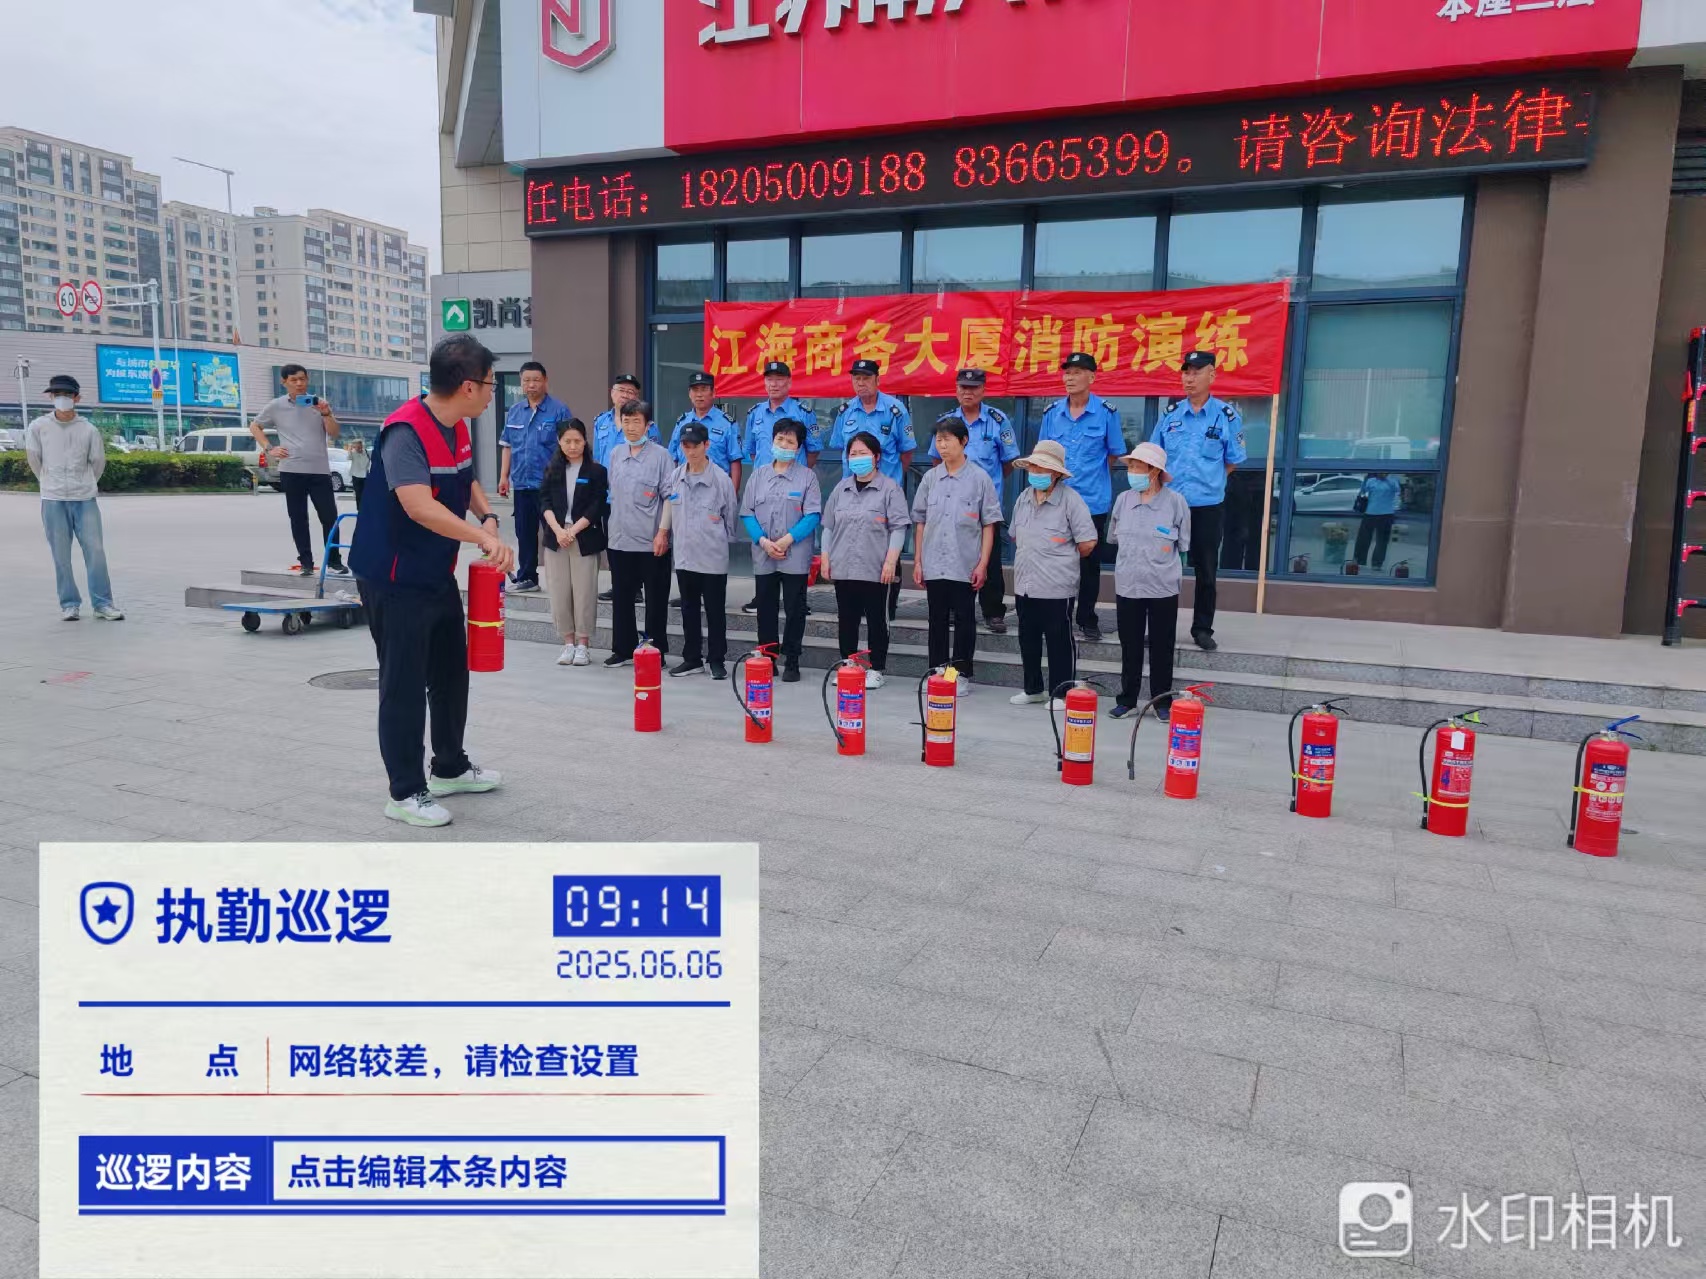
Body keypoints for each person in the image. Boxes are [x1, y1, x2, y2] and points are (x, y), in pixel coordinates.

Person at [347, 334, 514, 828]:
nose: (492, 394)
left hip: (434, 572)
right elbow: (419, 506)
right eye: (490, 384)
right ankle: (404, 791)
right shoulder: (406, 431)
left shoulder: (457, 424)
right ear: (468, 386)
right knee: (403, 683)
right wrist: (481, 539)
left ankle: (449, 767)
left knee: (449, 673)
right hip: (393, 577)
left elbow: (467, 479)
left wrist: (487, 517)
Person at [1151, 350, 1247, 651]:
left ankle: (1202, 628)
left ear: (1212, 375)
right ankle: (1160, 627)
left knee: (1206, 570)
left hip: (1207, 506)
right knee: (1161, 566)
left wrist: (1210, 482)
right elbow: (1154, 457)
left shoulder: (1226, 416)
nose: (1189, 379)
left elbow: (1232, 461)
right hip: (1169, 504)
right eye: (1186, 372)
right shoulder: (1170, 416)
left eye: (1196, 372)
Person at [1037, 351, 1125, 642]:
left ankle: (1087, 618)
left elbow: (1113, 454)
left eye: (1076, 373)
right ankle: (1058, 616)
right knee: (1057, 560)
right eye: (1067, 373)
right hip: (1057, 500)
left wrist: (1090, 478)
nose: (1070, 378)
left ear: (1091, 377)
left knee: (1089, 564)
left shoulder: (1107, 413)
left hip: (1092, 501)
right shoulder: (1052, 413)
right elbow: (1043, 457)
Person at [24, 374, 123, 622]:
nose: (62, 399)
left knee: (95, 551)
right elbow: (34, 460)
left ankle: (103, 604)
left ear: (77, 398)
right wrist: (49, 481)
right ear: (50, 397)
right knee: (61, 555)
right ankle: (69, 604)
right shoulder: (38, 427)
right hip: (53, 499)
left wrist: (85, 483)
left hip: (84, 498)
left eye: (67, 395)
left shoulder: (88, 429)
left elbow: (97, 462)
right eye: (57, 394)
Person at [1007, 441, 1098, 708]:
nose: (1036, 472)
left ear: (1056, 473)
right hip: (1025, 583)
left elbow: (1087, 543)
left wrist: (1058, 558)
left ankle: (1061, 691)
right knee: (1028, 639)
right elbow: (1015, 535)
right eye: (1033, 467)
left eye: (1042, 468)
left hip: (1057, 586)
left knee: (1059, 641)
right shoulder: (1023, 497)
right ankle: (1033, 688)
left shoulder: (1071, 500)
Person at [911, 418, 1001, 689]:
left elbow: (988, 525)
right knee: (936, 619)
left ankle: (959, 675)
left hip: (965, 563)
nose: (942, 445)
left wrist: (983, 564)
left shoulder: (980, 479)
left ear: (963, 441)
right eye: (938, 440)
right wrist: (918, 560)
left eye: (947, 439)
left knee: (964, 620)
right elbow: (920, 521)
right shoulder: (930, 478)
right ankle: (938, 671)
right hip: (934, 562)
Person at [1107, 442, 1191, 722]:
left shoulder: (1176, 502)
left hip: (1162, 586)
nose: (1131, 471)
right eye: (1130, 466)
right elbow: (1114, 537)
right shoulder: (1123, 500)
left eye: (1137, 466)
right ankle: (1127, 700)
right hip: (1128, 584)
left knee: (1162, 646)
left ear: (1154, 471)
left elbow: (1183, 544)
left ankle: (1161, 702)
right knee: (1129, 645)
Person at [929, 368, 1018, 633]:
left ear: (983, 390)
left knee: (990, 560)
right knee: (954, 555)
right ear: (956, 389)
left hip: (986, 506)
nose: (968, 392)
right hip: (953, 505)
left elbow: (1008, 462)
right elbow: (937, 460)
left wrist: (984, 487)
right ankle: (954, 609)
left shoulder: (998, 420)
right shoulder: (945, 421)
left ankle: (993, 612)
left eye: (973, 387)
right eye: (963, 387)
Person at [819, 432, 909, 689]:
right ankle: (849, 663)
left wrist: (891, 562)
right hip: (844, 566)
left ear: (876, 457)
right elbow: (828, 527)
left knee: (877, 620)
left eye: (863, 453)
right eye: (853, 454)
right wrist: (825, 557)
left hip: (876, 568)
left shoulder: (890, 489)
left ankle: (877, 668)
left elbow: (899, 528)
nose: (857, 458)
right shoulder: (841, 488)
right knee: (847, 619)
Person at [830, 358, 916, 622]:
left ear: (877, 380)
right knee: (851, 545)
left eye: (866, 378)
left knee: (889, 549)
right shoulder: (846, 411)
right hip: (851, 492)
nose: (861, 383)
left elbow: (907, 452)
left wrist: (889, 481)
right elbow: (840, 447)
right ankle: (854, 605)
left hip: (884, 492)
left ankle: (888, 606)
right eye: (856, 378)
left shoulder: (895, 410)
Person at [739, 418, 821, 683]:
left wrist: (786, 541)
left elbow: (812, 515)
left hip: (794, 553)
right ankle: (768, 656)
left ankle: (792, 660)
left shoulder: (807, 477)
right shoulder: (758, 475)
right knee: (765, 607)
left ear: (798, 447)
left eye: (790, 441)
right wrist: (763, 542)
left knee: (795, 608)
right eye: (780, 439)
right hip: (764, 552)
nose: (784, 445)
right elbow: (747, 513)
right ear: (772, 441)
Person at [250, 363, 347, 577]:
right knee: (298, 517)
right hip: (291, 470)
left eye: (302, 379)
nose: (299, 383)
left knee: (329, 517)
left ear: (307, 380)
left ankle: (334, 561)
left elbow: (334, 433)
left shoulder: (318, 403)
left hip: (320, 471)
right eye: (294, 380)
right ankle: (305, 562)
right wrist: (269, 448)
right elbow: (255, 426)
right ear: (284, 382)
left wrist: (326, 413)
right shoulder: (276, 406)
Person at [660, 422, 740, 680]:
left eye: (696, 445)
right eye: (686, 446)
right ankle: (692, 658)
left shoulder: (721, 479)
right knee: (688, 609)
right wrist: (663, 532)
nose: (691, 451)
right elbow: (669, 504)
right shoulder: (676, 476)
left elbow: (731, 517)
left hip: (712, 557)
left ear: (707, 445)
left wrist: (719, 539)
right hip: (685, 555)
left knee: (715, 611)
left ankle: (717, 660)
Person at [739, 360, 819, 614]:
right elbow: (752, 451)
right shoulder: (755, 413)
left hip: (794, 487)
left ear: (789, 382)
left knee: (796, 549)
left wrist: (796, 473)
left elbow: (813, 450)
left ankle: (798, 600)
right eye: (770, 379)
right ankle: (760, 597)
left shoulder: (803, 412)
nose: (774, 384)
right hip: (764, 486)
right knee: (763, 545)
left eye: (780, 379)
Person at [603, 399, 673, 668]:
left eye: (636, 421)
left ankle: (655, 651)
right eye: (626, 421)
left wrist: (663, 533)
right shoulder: (616, 453)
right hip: (619, 539)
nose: (631, 427)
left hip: (651, 542)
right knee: (622, 598)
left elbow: (669, 497)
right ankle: (623, 648)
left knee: (656, 601)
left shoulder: (661, 456)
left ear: (648, 425)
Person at [497, 360, 572, 594]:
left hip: (550, 485)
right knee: (524, 533)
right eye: (526, 380)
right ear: (521, 383)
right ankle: (528, 577)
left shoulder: (559, 410)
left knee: (554, 532)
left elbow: (569, 446)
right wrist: (503, 477)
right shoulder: (515, 411)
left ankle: (561, 579)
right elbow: (507, 446)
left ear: (545, 381)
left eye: (536, 380)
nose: (531, 385)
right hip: (522, 483)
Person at [540, 419, 607, 667]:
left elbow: (597, 506)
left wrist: (573, 531)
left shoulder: (596, 471)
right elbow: (544, 501)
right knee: (559, 591)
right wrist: (559, 530)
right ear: (559, 442)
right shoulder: (552, 469)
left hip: (584, 536)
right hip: (556, 537)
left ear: (585, 441)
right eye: (567, 441)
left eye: (577, 440)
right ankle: (567, 643)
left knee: (584, 591)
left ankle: (583, 645)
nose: (572, 446)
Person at [668, 371, 742, 489]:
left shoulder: (727, 423)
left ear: (713, 393)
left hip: (717, 488)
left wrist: (732, 494)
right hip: (685, 488)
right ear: (689, 394)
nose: (699, 395)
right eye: (695, 390)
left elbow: (735, 462)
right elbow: (673, 459)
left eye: (703, 389)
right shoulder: (681, 422)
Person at [590, 373, 657, 467]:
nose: (625, 395)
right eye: (621, 390)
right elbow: (596, 458)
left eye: (630, 392)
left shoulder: (648, 426)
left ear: (636, 397)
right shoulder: (601, 421)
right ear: (612, 393)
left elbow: (655, 460)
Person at [1353, 471, 1404, 570]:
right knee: (1363, 538)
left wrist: (1386, 479)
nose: (1381, 474)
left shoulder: (1393, 481)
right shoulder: (1371, 481)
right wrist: (1365, 480)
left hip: (1386, 513)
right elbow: (1363, 492)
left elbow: (1396, 490)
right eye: (1379, 472)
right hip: (1370, 513)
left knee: (1382, 540)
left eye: (1384, 472)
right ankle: (1359, 560)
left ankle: (1377, 563)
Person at [346, 437, 370, 510]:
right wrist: (350, 449)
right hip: (356, 476)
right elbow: (348, 457)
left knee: (366, 493)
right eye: (356, 447)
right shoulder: (353, 453)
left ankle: (365, 508)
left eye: (359, 446)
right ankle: (359, 509)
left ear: (362, 446)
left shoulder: (366, 452)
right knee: (358, 494)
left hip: (365, 476)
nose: (358, 448)